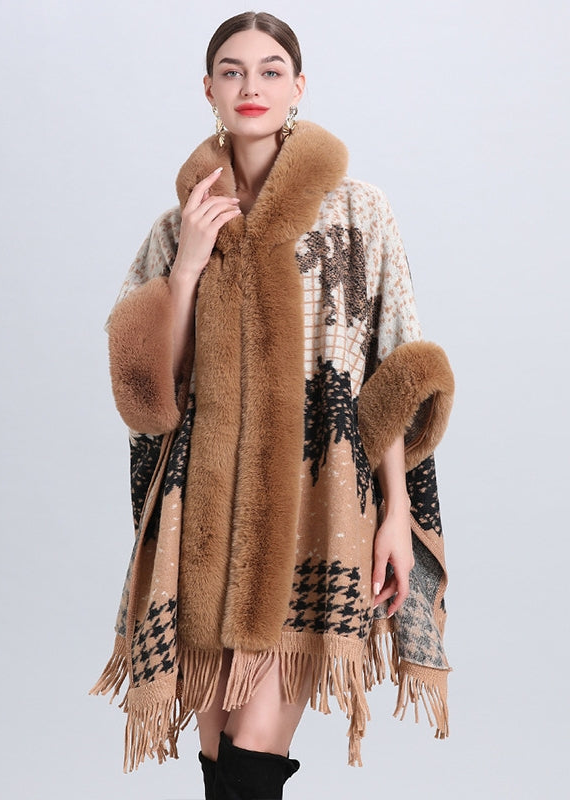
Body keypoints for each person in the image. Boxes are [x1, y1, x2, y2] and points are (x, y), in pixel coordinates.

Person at [91, 11, 455, 800]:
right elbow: (149, 391)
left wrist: (396, 513)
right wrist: (188, 268)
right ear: (208, 90)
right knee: (221, 762)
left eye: (269, 70)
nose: (250, 86)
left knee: (253, 756)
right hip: (206, 511)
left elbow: (389, 369)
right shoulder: (177, 227)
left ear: (298, 86)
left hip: (317, 500)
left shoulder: (358, 211)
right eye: (232, 71)